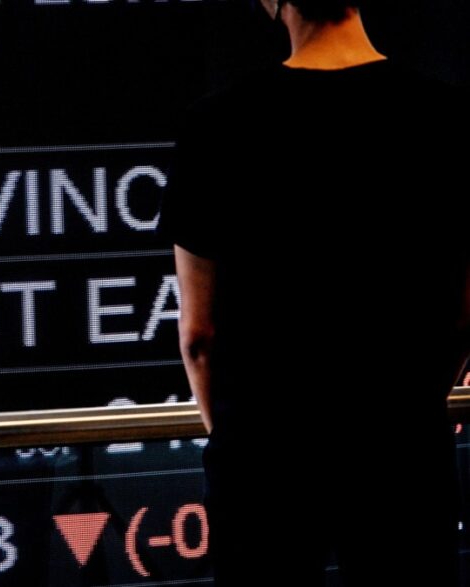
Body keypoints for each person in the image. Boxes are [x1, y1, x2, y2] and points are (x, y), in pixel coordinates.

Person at [156, 0, 470, 584]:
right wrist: (411, 405)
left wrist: (239, 438)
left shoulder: (216, 126)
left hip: (262, 460)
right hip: (402, 455)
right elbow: (462, 317)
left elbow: (199, 336)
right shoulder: (450, 118)